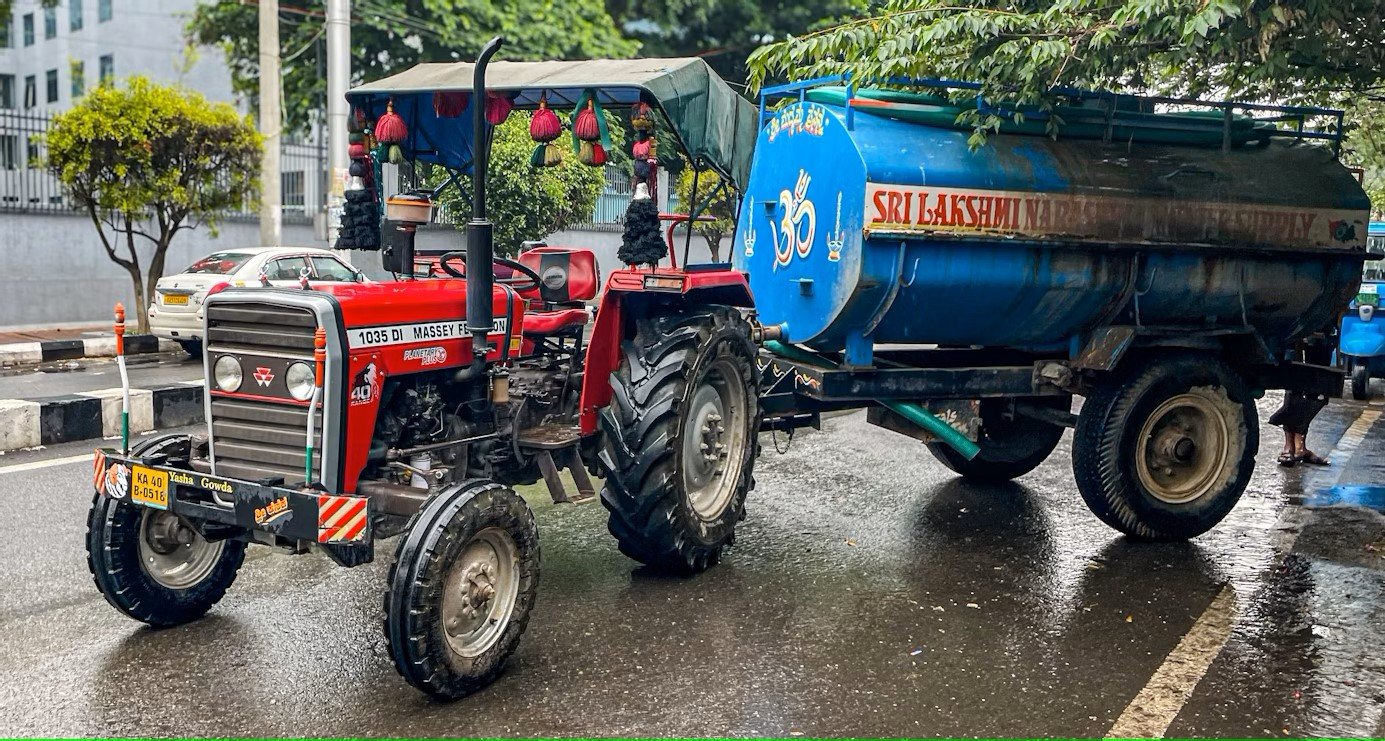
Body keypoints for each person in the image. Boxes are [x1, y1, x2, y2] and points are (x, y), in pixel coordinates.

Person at [1271, 334, 1332, 467]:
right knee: (1293, 387)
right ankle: (1289, 444)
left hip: (1321, 327)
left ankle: (1300, 445)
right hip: (1294, 327)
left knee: (1318, 389)